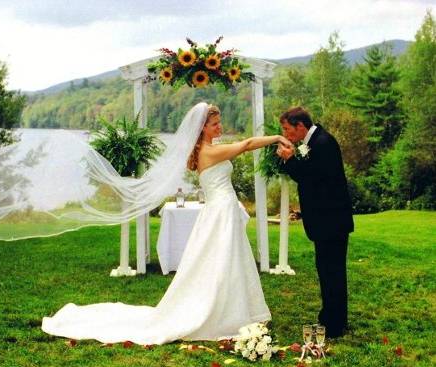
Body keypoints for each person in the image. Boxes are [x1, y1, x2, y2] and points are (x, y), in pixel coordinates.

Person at [41, 103, 293, 344]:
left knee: (227, 259)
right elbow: (247, 144)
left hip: (222, 210)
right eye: (215, 124)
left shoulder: (209, 148)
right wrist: (277, 138)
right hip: (219, 213)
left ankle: (234, 309)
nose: (220, 127)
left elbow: (243, 145)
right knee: (221, 259)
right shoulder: (209, 152)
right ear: (203, 127)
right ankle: (222, 312)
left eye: (219, 123)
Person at [276, 107, 354, 338]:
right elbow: (313, 174)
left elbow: (310, 177)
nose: (286, 134)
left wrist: (290, 160)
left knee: (332, 272)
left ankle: (334, 323)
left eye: (288, 129)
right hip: (327, 220)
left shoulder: (323, 142)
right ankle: (330, 317)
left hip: (331, 221)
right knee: (328, 270)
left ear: (300, 126)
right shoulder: (314, 140)